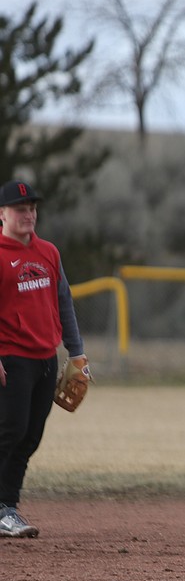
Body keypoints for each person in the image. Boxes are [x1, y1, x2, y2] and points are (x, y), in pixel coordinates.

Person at [0, 180, 90, 538]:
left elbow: (63, 302)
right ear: (2, 214)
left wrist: (77, 352)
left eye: (32, 208)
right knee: (10, 431)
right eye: (20, 208)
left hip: (45, 358)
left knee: (30, 437)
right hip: (11, 358)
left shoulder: (48, 252)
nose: (29, 214)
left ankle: (7, 507)